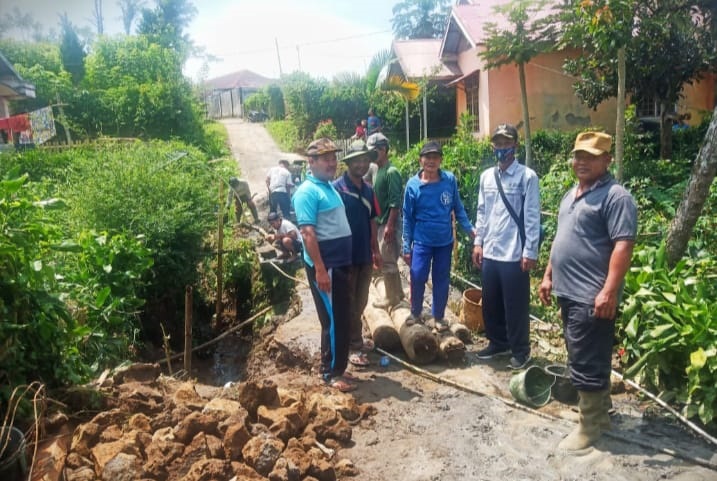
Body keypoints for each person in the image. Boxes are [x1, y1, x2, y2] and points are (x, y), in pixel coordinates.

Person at [539, 131, 637, 451]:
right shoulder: (572, 194)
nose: (582, 162)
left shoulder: (615, 196)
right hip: (568, 291)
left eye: (591, 156)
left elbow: (623, 245)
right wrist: (548, 275)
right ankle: (600, 416)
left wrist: (609, 291)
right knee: (583, 354)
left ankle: (589, 426)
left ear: (607, 160)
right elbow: (560, 238)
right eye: (579, 155)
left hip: (592, 295)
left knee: (586, 360)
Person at [472, 124, 541, 370]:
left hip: (515, 252)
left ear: (515, 145)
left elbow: (532, 216)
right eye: (498, 143)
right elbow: (482, 212)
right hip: (490, 249)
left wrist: (530, 250)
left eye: (506, 143)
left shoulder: (527, 177)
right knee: (491, 302)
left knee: (516, 305)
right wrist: (478, 242)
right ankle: (497, 342)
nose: (502, 148)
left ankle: (521, 350)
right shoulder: (486, 177)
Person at [292, 137, 356, 392]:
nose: (333, 163)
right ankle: (330, 372)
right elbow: (308, 233)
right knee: (334, 319)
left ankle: (338, 367)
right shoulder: (307, 192)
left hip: (339, 263)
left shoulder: (327, 187)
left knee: (340, 316)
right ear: (312, 162)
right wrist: (319, 269)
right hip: (327, 264)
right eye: (326, 158)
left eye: (333, 157)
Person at [403, 141, 475, 332]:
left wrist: (469, 229)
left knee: (442, 278)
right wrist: (405, 245)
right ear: (421, 160)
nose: (431, 161)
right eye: (428, 157)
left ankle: (438, 316)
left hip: (444, 241)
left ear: (441, 160)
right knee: (417, 275)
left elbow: (457, 208)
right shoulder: (413, 185)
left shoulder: (449, 180)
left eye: (435, 157)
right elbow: (407, 218)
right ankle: (416, 311)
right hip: (421, 241)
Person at [333, 140, 382, 367]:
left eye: (365, 160)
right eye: (357, 160)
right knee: (348, 303)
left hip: (363, 254)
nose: (362, 164)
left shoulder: (368, 190)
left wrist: (376, 250)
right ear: (348, 163)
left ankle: (356, 338)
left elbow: (371, 221)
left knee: (361, 301)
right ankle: (352, 346)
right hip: (345, 257)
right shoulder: (337, 189)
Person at [367, 132, 405, 310]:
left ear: (383, 150)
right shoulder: (376, 170)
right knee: (387, 259)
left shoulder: (391, 172)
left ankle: (391, 298)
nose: (371, 155)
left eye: (374, 151)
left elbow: (395, 202)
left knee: (388, 261)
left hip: (389, 223)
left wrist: (390, 225)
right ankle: (398, 293)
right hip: (381, 222)